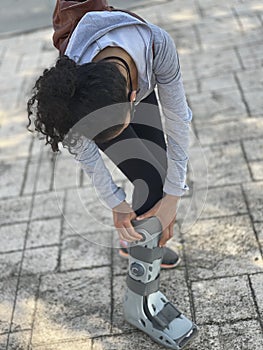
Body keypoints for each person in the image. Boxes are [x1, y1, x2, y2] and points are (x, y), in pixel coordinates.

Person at [27, 1, 198, 348]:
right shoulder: (78, 78)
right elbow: (81, 143)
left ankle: (140, 245)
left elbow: (179, 122)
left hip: (136, 70)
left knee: (164, 173)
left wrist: (175, 197)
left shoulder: (157, 45)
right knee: (150, 180)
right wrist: (116, 201)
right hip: (105, 88)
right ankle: (140, 301)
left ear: (133, 99)